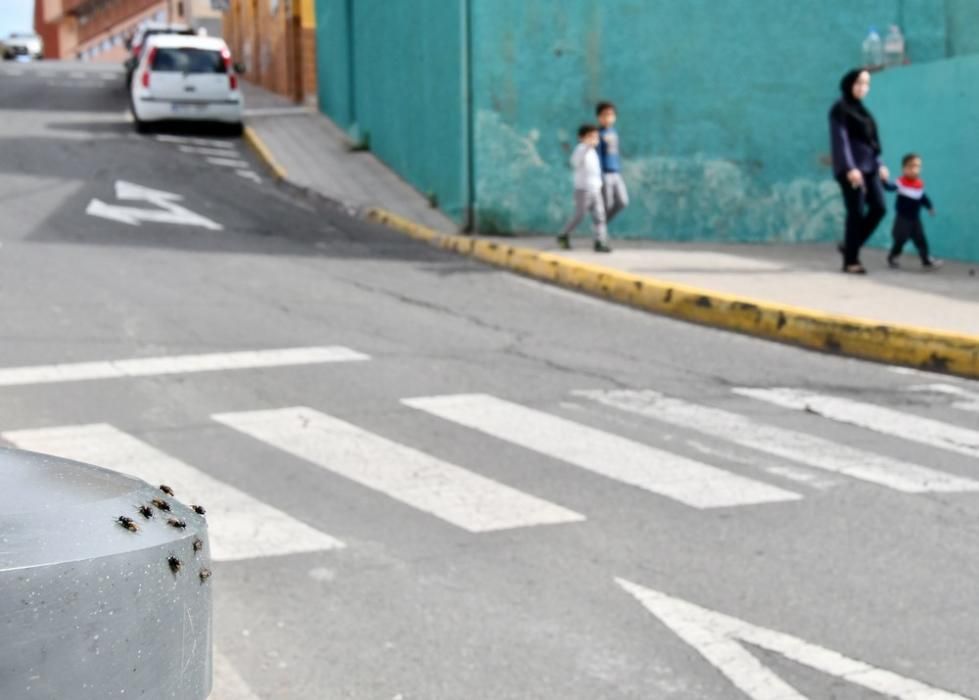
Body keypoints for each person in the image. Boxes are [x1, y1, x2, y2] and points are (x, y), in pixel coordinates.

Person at [829, 68, 890, 274]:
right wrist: (849, 167)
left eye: (867, 84)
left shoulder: (864, 112)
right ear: (849, 83)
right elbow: (841, 140)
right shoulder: (840, 108)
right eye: (859, 83)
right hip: (851, 170)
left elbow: (872, 143)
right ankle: (851, 261)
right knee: (855, 213)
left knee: (879, 208)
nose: (863, 88)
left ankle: (849, 246)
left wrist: (880, 163)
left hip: (870, 167)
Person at [557, 124, 611, 252]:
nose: (594, 139)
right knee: (579, 215)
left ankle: (600, 241)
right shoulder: (580, 149)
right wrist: (586, 147)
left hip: (595, 190)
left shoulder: (593, 152)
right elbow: (574, 163)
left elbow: (595, 171)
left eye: (596, 137)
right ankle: (563, 234)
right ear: (581, 137)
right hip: (583, 190)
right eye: (590, 136)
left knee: (600, 216)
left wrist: (600, 185)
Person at [884, 153, 941, 269]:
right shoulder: (900, 182)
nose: (914, 169)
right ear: (903, 169)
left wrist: (930, 207)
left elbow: (922, 197)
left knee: (921, 239)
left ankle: (926, 260)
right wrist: (883, 180)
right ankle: (892, 257)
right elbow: (889, 187)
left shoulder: (919, 184)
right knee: (900, 240)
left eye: (917, 166)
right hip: (902, 219)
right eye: (911, 166)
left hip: (915, 219)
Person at [596, 101, 629, 224]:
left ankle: (600, 224)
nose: (608, 117)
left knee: (623, 201)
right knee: (607, 204)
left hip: (616, 172)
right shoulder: (598, 134)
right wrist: (599, 175)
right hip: (604, 173)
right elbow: (597, 156)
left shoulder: (614, 132)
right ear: (599, 117)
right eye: (604, 114)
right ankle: (600, 235)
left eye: (611, 114)